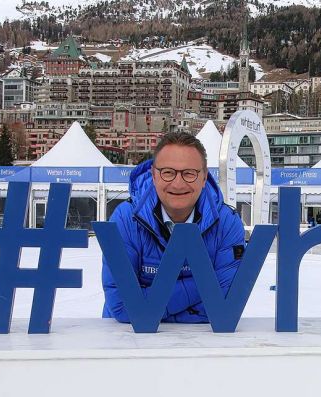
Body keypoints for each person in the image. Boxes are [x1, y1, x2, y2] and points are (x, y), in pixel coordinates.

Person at [102, 131, 245, 323]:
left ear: (204, 178)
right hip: (130, 341)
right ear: (153, 175)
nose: (178, 184)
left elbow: (226, 302)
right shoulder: (126, 219)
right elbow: (122, 306)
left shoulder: (228, 223)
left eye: (189, 173)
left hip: (201, 345)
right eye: (168, 172)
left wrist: (150, 307)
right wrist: (207, 285)